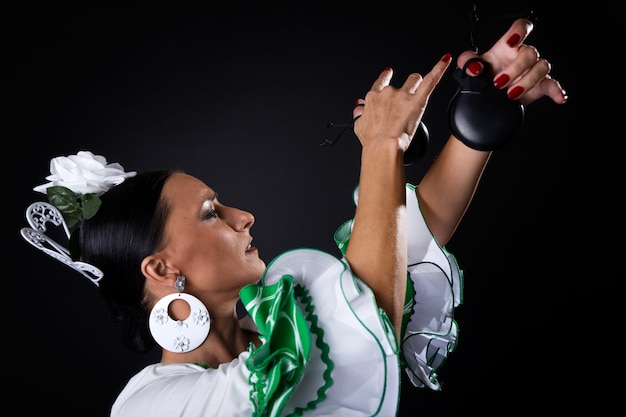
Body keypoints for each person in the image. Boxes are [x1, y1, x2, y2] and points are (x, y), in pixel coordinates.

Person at [21, 17, 567, 417]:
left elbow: (399, 250)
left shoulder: (281, 330)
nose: (244, 216)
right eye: (211, 212)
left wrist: (481, 119)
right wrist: (380, 148)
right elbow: (372, 306)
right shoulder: (151, 406)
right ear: (161, 270)